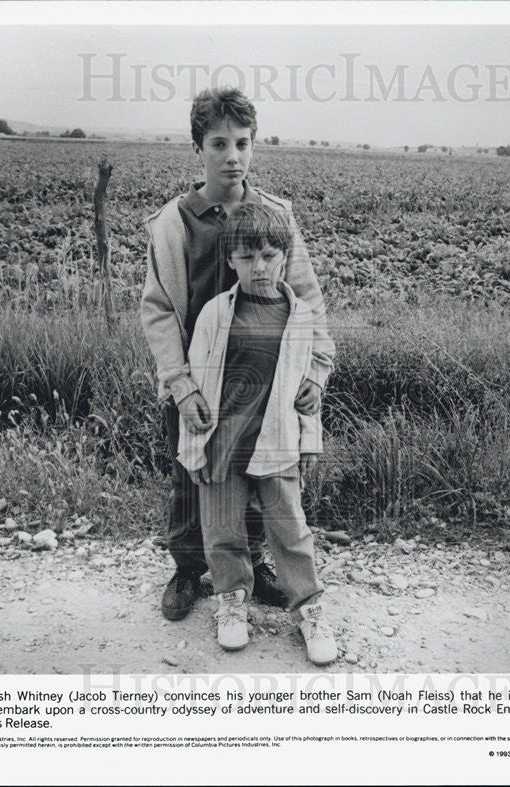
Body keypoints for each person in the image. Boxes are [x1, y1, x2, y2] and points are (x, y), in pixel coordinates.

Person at [140, 87, 335, 621]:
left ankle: (248, 571)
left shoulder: (274, 217)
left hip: (264, 377)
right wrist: (179, 385)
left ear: (254, 147)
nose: (232, 155)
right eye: (219, 143)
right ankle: (187, 569)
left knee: (258, 470)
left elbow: (309, 298)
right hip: (197, 380)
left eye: (243, 143)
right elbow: (158, 310)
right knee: (191, 472)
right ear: (198, 148)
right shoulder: (175, 222)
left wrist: (317, 368)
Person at [178, 202, 337, 665]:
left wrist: (310, 440)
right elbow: (197, 385)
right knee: (223, 530)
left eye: (268, 255)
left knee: (290, 530)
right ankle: (231, 600)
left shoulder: (300, 315)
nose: (259, 266)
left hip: (279, 441)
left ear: (284, 257)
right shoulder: (214, 314)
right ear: (230, 260)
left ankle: (309, 608)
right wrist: (196, 452)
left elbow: (307, 391)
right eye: (246, 257)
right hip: (222, 443)